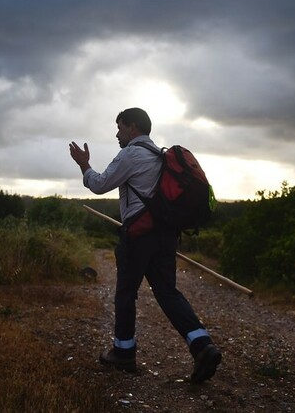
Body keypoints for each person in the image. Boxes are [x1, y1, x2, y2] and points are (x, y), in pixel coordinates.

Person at [69, 107, 222, 384]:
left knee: (126, 293)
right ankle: (202, 346)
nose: (117, 134)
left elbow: (101, 184)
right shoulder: (161, 157)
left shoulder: (131, 154)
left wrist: (84, 165)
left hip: (138, 236)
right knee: (167, 293)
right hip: (165, 235)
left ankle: (123, 353)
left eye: (120, 127)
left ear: (133, 127)